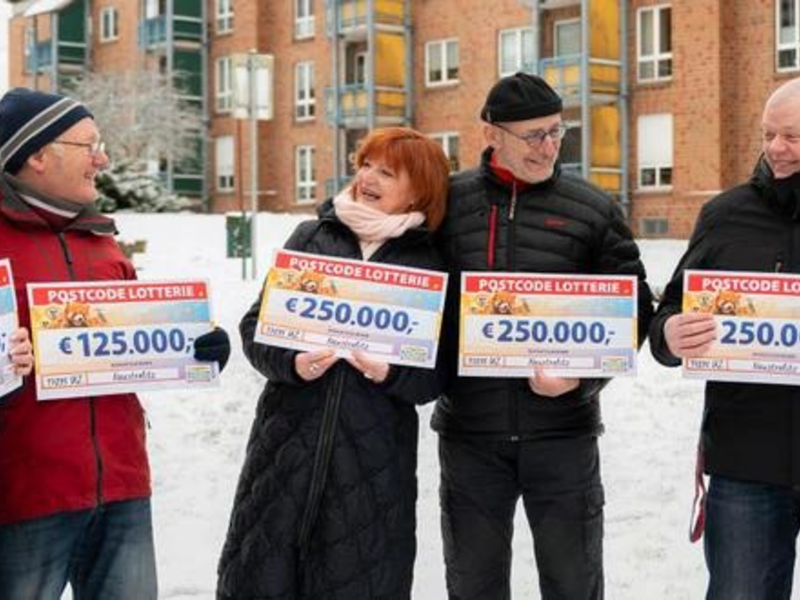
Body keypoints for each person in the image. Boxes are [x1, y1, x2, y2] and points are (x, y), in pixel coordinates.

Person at [0, 87, 231, 600]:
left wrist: (197, 345)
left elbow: (130, 347)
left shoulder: (102, 241)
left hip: (122, 487)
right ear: (37, 155)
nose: (102, 158)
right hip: (26, 496)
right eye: (89, 144)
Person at [432, 72, 653, 599]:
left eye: (557, 131)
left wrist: (580, 380)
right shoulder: (446, 204)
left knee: (574, 583)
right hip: (471, 436)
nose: (549, 145)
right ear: (492, 133)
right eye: (534, 135)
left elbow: (633, 310)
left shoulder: (593, 209)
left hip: (564, 436)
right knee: (473, 584)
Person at [217, 127, 450, 599]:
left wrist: (393, 373)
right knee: (264, 578)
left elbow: (439, 372)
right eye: (365, 164)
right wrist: (292, 362)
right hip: (283, 451)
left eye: (387, 171)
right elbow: (255, 326)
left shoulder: (429, 262)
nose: (368, 176)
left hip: (372, 462)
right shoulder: (313, 236)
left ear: (418, 190)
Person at [649, 77, 800, 599]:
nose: (776, 149)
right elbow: (669, 312)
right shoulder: (725, 214)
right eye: (768, 134)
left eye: (793, 138)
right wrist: (670, 332)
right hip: (744, 459)